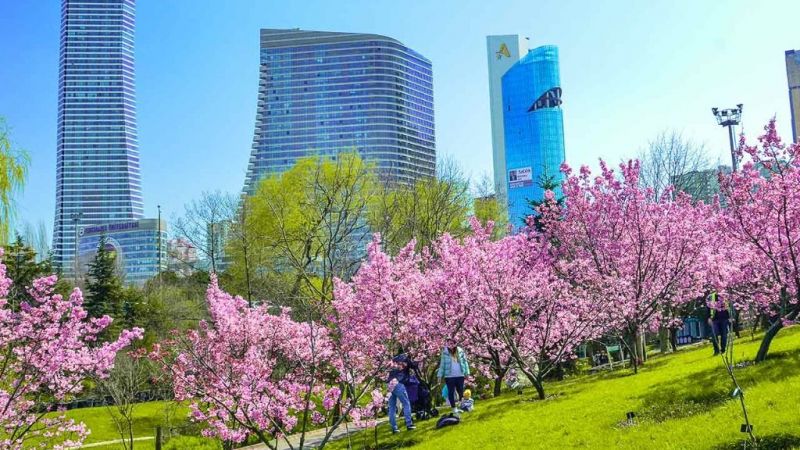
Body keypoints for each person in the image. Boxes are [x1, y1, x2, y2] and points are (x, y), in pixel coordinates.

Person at [436, 340, 470, 414]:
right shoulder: (444, 352)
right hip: (449, 376)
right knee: (451, 392)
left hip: (460, 375)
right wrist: (439, 376)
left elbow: (465, 362)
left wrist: (467, 373)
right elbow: (442, 365)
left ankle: (461, 405)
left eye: (452, 343)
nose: (450, 345)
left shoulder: (460, 351)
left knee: (460, 391)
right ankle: (454, 408)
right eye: (449, 343)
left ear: (455, 343)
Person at [386, 354, 416, 433]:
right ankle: (409, 424)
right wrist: (414, 359)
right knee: (406, 403)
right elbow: (414, 366)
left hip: (389, 383)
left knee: (392, 407)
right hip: (398, 383)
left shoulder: (393, 359)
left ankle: (394, 428)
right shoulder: (405, 358)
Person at [707, 291, 731, 356]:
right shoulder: (711, 297)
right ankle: (716, 350)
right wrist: (708, 318)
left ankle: (723, 349)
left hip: (724, 318)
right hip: (714, 319)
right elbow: (708, 308)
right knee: (714, 335)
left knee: (724, 335)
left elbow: (730, 306)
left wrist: (731, 317)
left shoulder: (726, 295)